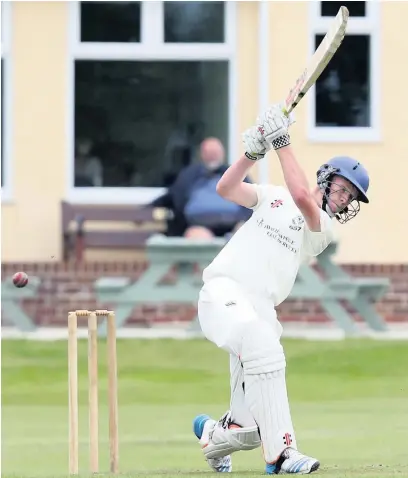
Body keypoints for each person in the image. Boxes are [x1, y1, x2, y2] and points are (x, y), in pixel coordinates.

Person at [192, 104, 370, 474]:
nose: (343, 199)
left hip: (258, 310)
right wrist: (251, 153)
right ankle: (283, 455)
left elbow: (304, 197)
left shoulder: (322, 227)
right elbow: (226, 187)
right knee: (263, 342)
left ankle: (214, 433)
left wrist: (281, 140)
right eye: (341, 189)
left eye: (350, 197)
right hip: (223, 291)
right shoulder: (274, 194)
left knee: (248, 432)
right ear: (327, 178)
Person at [152, 137, 252, 238]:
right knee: (198, 238)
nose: (213, 156)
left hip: (234, 226)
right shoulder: (189, 175)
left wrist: (242, 223)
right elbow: (172, 197)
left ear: (222, 154)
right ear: (202, 154)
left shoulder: (237, 174)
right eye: (209, 152)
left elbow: (252, 200)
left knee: (244, 234)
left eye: (216, 152)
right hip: (199, 228)